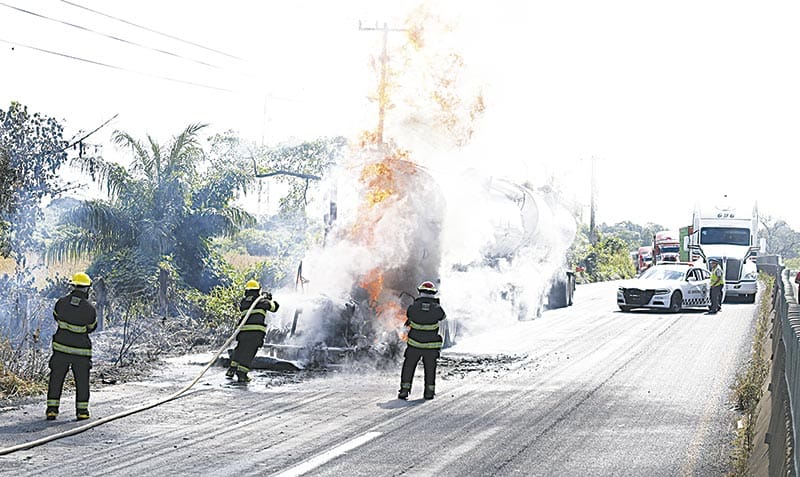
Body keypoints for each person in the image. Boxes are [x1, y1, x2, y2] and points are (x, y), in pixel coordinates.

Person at [46, 272, 97, 421]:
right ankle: (82, 412)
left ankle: (52, 410)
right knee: (82, 381)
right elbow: (91, 327)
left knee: (56, 378)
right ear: (87, 289)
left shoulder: (61, 302)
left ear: (73, 286)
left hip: (61, 349)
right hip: (81, 352)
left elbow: (56, 317)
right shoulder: (90, 309)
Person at [398, 281, 447, 400]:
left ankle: (404, 390)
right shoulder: (438, 309)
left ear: (420, 292)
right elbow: (443, 317)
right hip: (431, 347)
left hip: (414, 345)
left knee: (409, 367)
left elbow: (409, 318)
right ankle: (429, 392)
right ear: (433, 293)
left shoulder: (413, 307)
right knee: (430, 369)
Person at [226, 280, 279, 383]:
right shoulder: (262, 301)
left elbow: (249, 304)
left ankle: (231, 370)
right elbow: (274, 308)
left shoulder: (244, 302)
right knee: (249, 353)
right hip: (255, 333)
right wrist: (269, 299)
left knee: (240, 350)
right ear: (258, 290)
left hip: (243, 332)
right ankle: (242, 375)